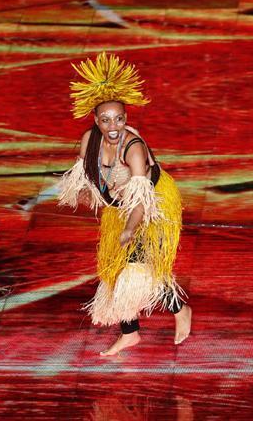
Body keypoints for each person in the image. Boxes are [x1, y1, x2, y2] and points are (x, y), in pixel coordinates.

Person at [56, 52, 191, 356]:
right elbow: (85, 179)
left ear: (126, 119)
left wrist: (131, 228)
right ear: (96, 120)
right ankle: (129, 334)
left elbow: (142, 200)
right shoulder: (89, 140)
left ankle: (181, 310)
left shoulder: (133, 148)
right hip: (118, 207)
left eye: (119, 119)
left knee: (137, 267)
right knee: (114, 269)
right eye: (106, 120)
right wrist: (86, 193)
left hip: (151, 206)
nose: (113, 125)